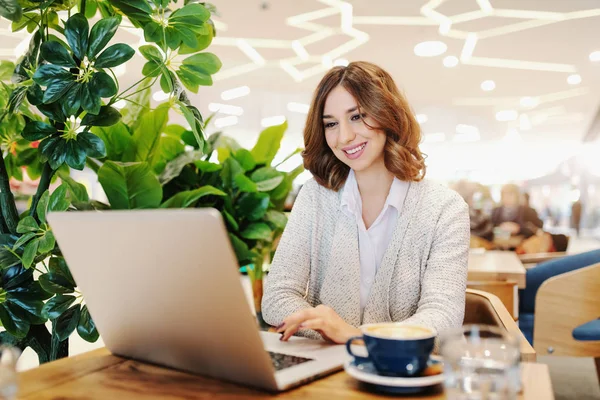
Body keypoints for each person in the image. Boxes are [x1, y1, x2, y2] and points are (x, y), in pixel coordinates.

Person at [262, 61, 470, 344]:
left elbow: (442, 318)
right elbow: (276, 297)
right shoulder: (315, 197)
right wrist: (330, 330)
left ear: (388, 115)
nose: (344, 136)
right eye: (331, 124)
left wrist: (355, 337)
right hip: (326, 372)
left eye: (357, 116)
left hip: (404, 375)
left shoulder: (444, 208)